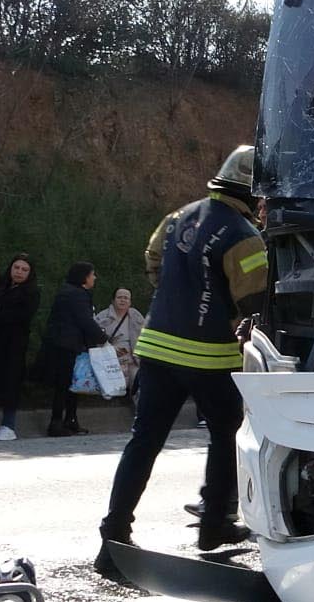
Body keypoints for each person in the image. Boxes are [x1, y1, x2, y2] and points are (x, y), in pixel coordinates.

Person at [96, 146, 268, 578]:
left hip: (155, 346)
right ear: (251, 191)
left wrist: (179, 295)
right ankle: (214, 526)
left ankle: (113, 537)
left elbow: (153, 261)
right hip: (208, 355)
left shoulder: (179, 216)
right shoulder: (244, 235)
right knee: (228, 435)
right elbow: (254, 300)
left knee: (144, 441)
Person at [40, 262, 106, 437]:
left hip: (66, 345)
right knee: (64, 385)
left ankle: (70, 420)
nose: (95, 278)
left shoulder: (70, 292)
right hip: (65, 347)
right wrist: (104, 340)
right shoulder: (76, 295)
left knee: (71, 384)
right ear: (84, 277)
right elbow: (85, 321)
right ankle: (56, 423)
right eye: (92, 274)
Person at [0, 254, 38, 441]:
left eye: (24, 269)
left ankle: (8, 425)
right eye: (17, 268)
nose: (19, 272)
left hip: (14, 344)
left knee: (12, 382)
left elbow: (20, 316)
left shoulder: (31, 292)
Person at [94, 288, 146, 396]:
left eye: (126, 298)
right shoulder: (103, 316)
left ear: (130, 302)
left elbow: (145, 337)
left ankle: (140, 411)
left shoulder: (135, 315)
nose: (123, 300)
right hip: (110, 360)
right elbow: (94, 337)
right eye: (119, 297)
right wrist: (111, 349)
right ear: (113, 300)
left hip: (132, 359)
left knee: (138, 380)